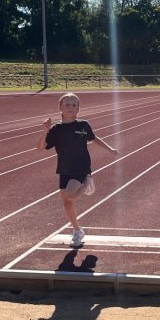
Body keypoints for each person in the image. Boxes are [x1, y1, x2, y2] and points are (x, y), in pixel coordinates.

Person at [37, 93, 119, 247]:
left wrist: (110, 149)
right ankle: (77, 230)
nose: (70, 107)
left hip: (81, 166)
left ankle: (87, 183)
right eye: (67, 104)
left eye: (74, 105)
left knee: (70, 194)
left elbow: (94, 138)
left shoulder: (83, 125)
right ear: (60, 107)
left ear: (79, 109)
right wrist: (45, 130)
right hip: (64, 168)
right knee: (67, 203)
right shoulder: (56, 129)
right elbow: (41, 147)